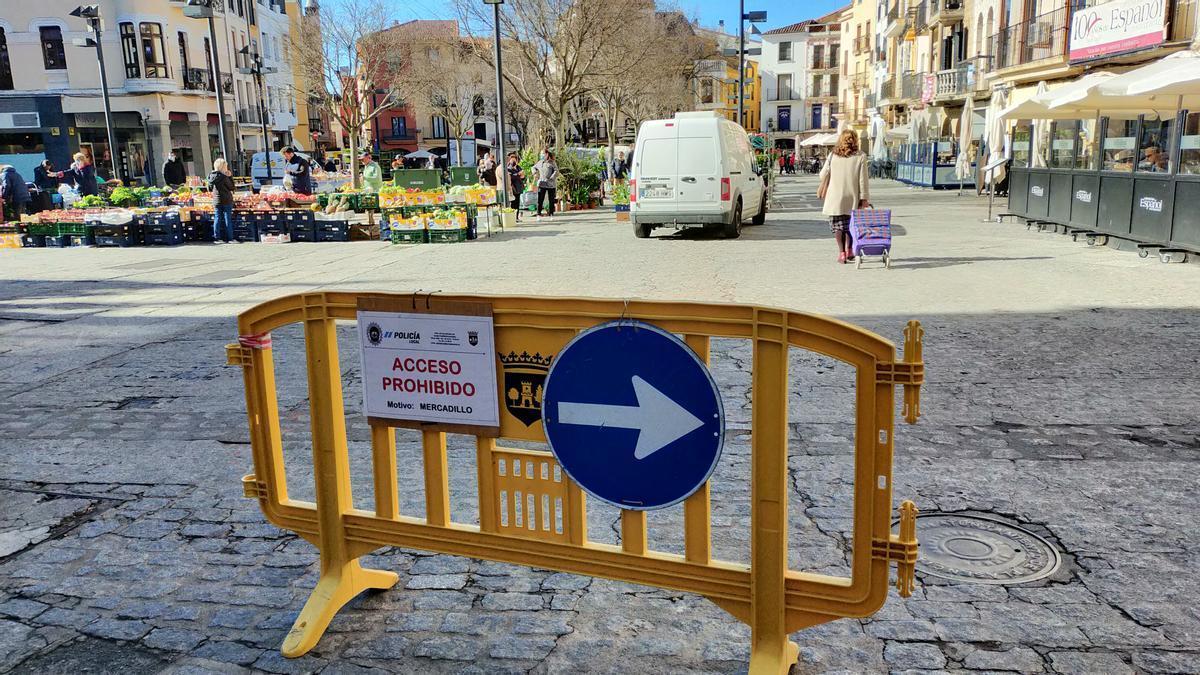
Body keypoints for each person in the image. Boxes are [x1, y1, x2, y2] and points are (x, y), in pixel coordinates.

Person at [819, 129, 870, 264]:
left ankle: (841, 253)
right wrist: (864, 198)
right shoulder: (861, 156)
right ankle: (850, 250)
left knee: (838, 226)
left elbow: (822, 175)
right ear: (855, 140)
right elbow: (863, 180)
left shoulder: (832, 155)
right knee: (851, 225)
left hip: (835, 197)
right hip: (852, 196)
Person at [208, 158, 236, 244]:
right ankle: (230, 238)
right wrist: (230, 177)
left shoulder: (210, 176)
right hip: (226, 200)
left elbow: (209, 188)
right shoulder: (224, 177)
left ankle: (217, 238)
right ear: (223, 167)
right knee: (227, 218)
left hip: (216, 200)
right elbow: (231, 187)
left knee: (217, 218)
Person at [532, 150, 558, 219]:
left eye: (542, 154)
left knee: (551, 200)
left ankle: (551, 214)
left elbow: (556, 171)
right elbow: (533, 167)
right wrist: (535, 173)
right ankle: (538, 214)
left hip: (550, 184)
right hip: (542, 184)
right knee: (540, 200)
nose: (541, 155)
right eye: (540, 154)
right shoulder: (540, 162)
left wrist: (551, 178)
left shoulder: (552, 162)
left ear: (546, 154)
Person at [505, 152, 525, 222]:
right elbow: (511, 177)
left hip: (518, 187)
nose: (513, 161)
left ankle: (516, 217)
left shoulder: (518, 167)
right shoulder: (508, 168)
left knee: (517, 203)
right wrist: (518, 174)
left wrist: (522, 176)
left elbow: (522, 177)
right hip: (513, 188)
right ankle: (513, 218)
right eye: (512, 160)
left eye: (515, 160)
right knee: (513, 203)